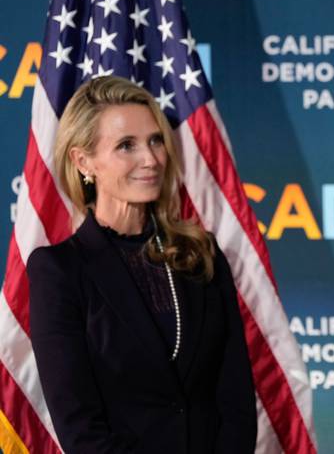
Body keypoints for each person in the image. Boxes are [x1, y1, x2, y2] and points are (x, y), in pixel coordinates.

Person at [27, 76, 257, 453]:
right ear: (84, 161)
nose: (150, 159)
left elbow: (235, 401)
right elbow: (80, 428)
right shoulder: (60, 271)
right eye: (126, 145)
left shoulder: (202, 254)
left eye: (155, 140)